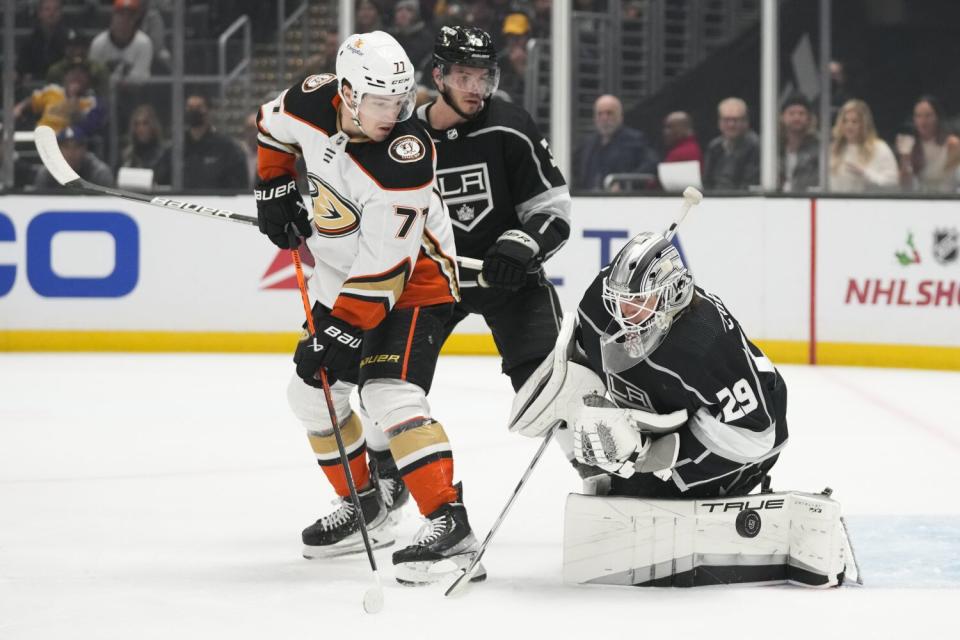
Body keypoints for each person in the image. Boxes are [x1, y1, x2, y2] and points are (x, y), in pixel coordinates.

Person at [253, 30, 482, 585]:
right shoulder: (312, 100)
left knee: (387, 393)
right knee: (311, 395)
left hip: (417, 283)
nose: (395, 114)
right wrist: (274, 187)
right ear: (347, 93)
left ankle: (451, 530)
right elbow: (269, 125)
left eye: (401, 102)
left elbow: (387, 270)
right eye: (380, 102)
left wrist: (344, 333)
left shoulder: (404, 159)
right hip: (338, 274)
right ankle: (368, 507)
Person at [515, 230, 788, 500]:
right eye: (619, 301)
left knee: (633, 498)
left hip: (743, 444)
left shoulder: (707, 344)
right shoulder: (598, 303)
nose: (624, 315)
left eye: (638, 303)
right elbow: (586, 356)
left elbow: (756, 434)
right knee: (617, 492)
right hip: (670, 415)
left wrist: (653, 456)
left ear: (672, 295)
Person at [417, 25, 571, 392]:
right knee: (386, 390)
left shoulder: (511, 127)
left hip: (510, 280)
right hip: (433, 283)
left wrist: (522, 246)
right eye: (463, 76)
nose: (475, 88)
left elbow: (554, 212)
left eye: (484, 77)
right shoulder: (408, 139)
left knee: (553, 394)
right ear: (439, 76)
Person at [574, 94, 659, 191]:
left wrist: (623, 183)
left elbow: (651, 165)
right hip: (590, 199)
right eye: (600, 114)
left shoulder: (635, 140)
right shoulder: (588, 143)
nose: (604, 118)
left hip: (620, 200)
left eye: (609, 113)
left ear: (620, 116)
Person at [176, 94, 249, 190]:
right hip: (182, 201)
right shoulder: (177, 148)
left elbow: (239, 183)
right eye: (190, 107)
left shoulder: (227, 147)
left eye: (199, 107)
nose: (194, 111)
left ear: (209, 111)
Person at [13, 63, 105, 137]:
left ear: (88, 80)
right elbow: (32, 100)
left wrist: (73, 97)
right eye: (72, 73)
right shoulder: (53, 90)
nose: (76, 77)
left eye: (81, 74)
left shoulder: (92, 102)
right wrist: (19, 108)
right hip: (39, 136)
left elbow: (85, 127)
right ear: (65, 77)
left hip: (65, 142)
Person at [828, 99, 897, 193]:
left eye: (854, 121)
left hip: (869, 204)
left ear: (864, 124)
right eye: (845, 121)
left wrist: (866, 174)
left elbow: (893, 182)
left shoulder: (880, 148)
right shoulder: (833, 149)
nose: (849, 126)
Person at [896, 95, 960, 193]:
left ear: (937, 117)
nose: (923, 121)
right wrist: (905, 158)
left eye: (928, 116)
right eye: (918, 116)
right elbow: (905, 187)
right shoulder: (912, 145)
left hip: (948, 200)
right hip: (922, 200)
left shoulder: (952, 144)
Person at [702, 97, 759, 190]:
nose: (731, 125)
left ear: (746, 121)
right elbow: (707, 182)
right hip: (714, 200)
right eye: (726, 120)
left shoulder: (755, 146)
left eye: (735, 120)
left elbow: (749, 183)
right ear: (719, 122)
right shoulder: (714, 146)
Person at [89, 0, 154, 81]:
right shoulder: (99, 43)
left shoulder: (144, 43)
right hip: (103, 92)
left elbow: (139, 79)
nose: (125, 19)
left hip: (136, 92)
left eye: (130, 15)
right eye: (121, 14)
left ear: (136, 18)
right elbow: (94, 75)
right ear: (113, 15)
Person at [34, 127, 115, 189]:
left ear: (84, 149)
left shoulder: (99, 172)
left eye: (77, 147)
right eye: (66, 147)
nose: (71, 152)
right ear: (58, 150)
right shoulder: (48, 173)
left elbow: (108, 204)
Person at [15, 0, 67, 85]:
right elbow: (21, 70)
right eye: (47, 9)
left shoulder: (68, 40)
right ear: (40, 13)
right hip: (33, 88)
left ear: (61, 13)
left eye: (56, 9)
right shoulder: (29, 41)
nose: (52, 13)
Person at [779, 94, 820, 193]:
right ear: (783, 117)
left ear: (809, 118)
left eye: (801, 114)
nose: (796, 118)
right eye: (791, 113)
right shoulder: (774, 147)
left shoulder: (819, 148)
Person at [120, 104, 171, 182]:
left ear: (153, 126)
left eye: (145, 123)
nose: (140, 129)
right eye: (137, 124)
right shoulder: (127, 156)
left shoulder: (164, 155)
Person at [389, 0, 434, 74]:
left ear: (417, 14)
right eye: (399, 10)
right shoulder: (389, 36)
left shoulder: (425, 38)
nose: (403, 13)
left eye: (409, 10)